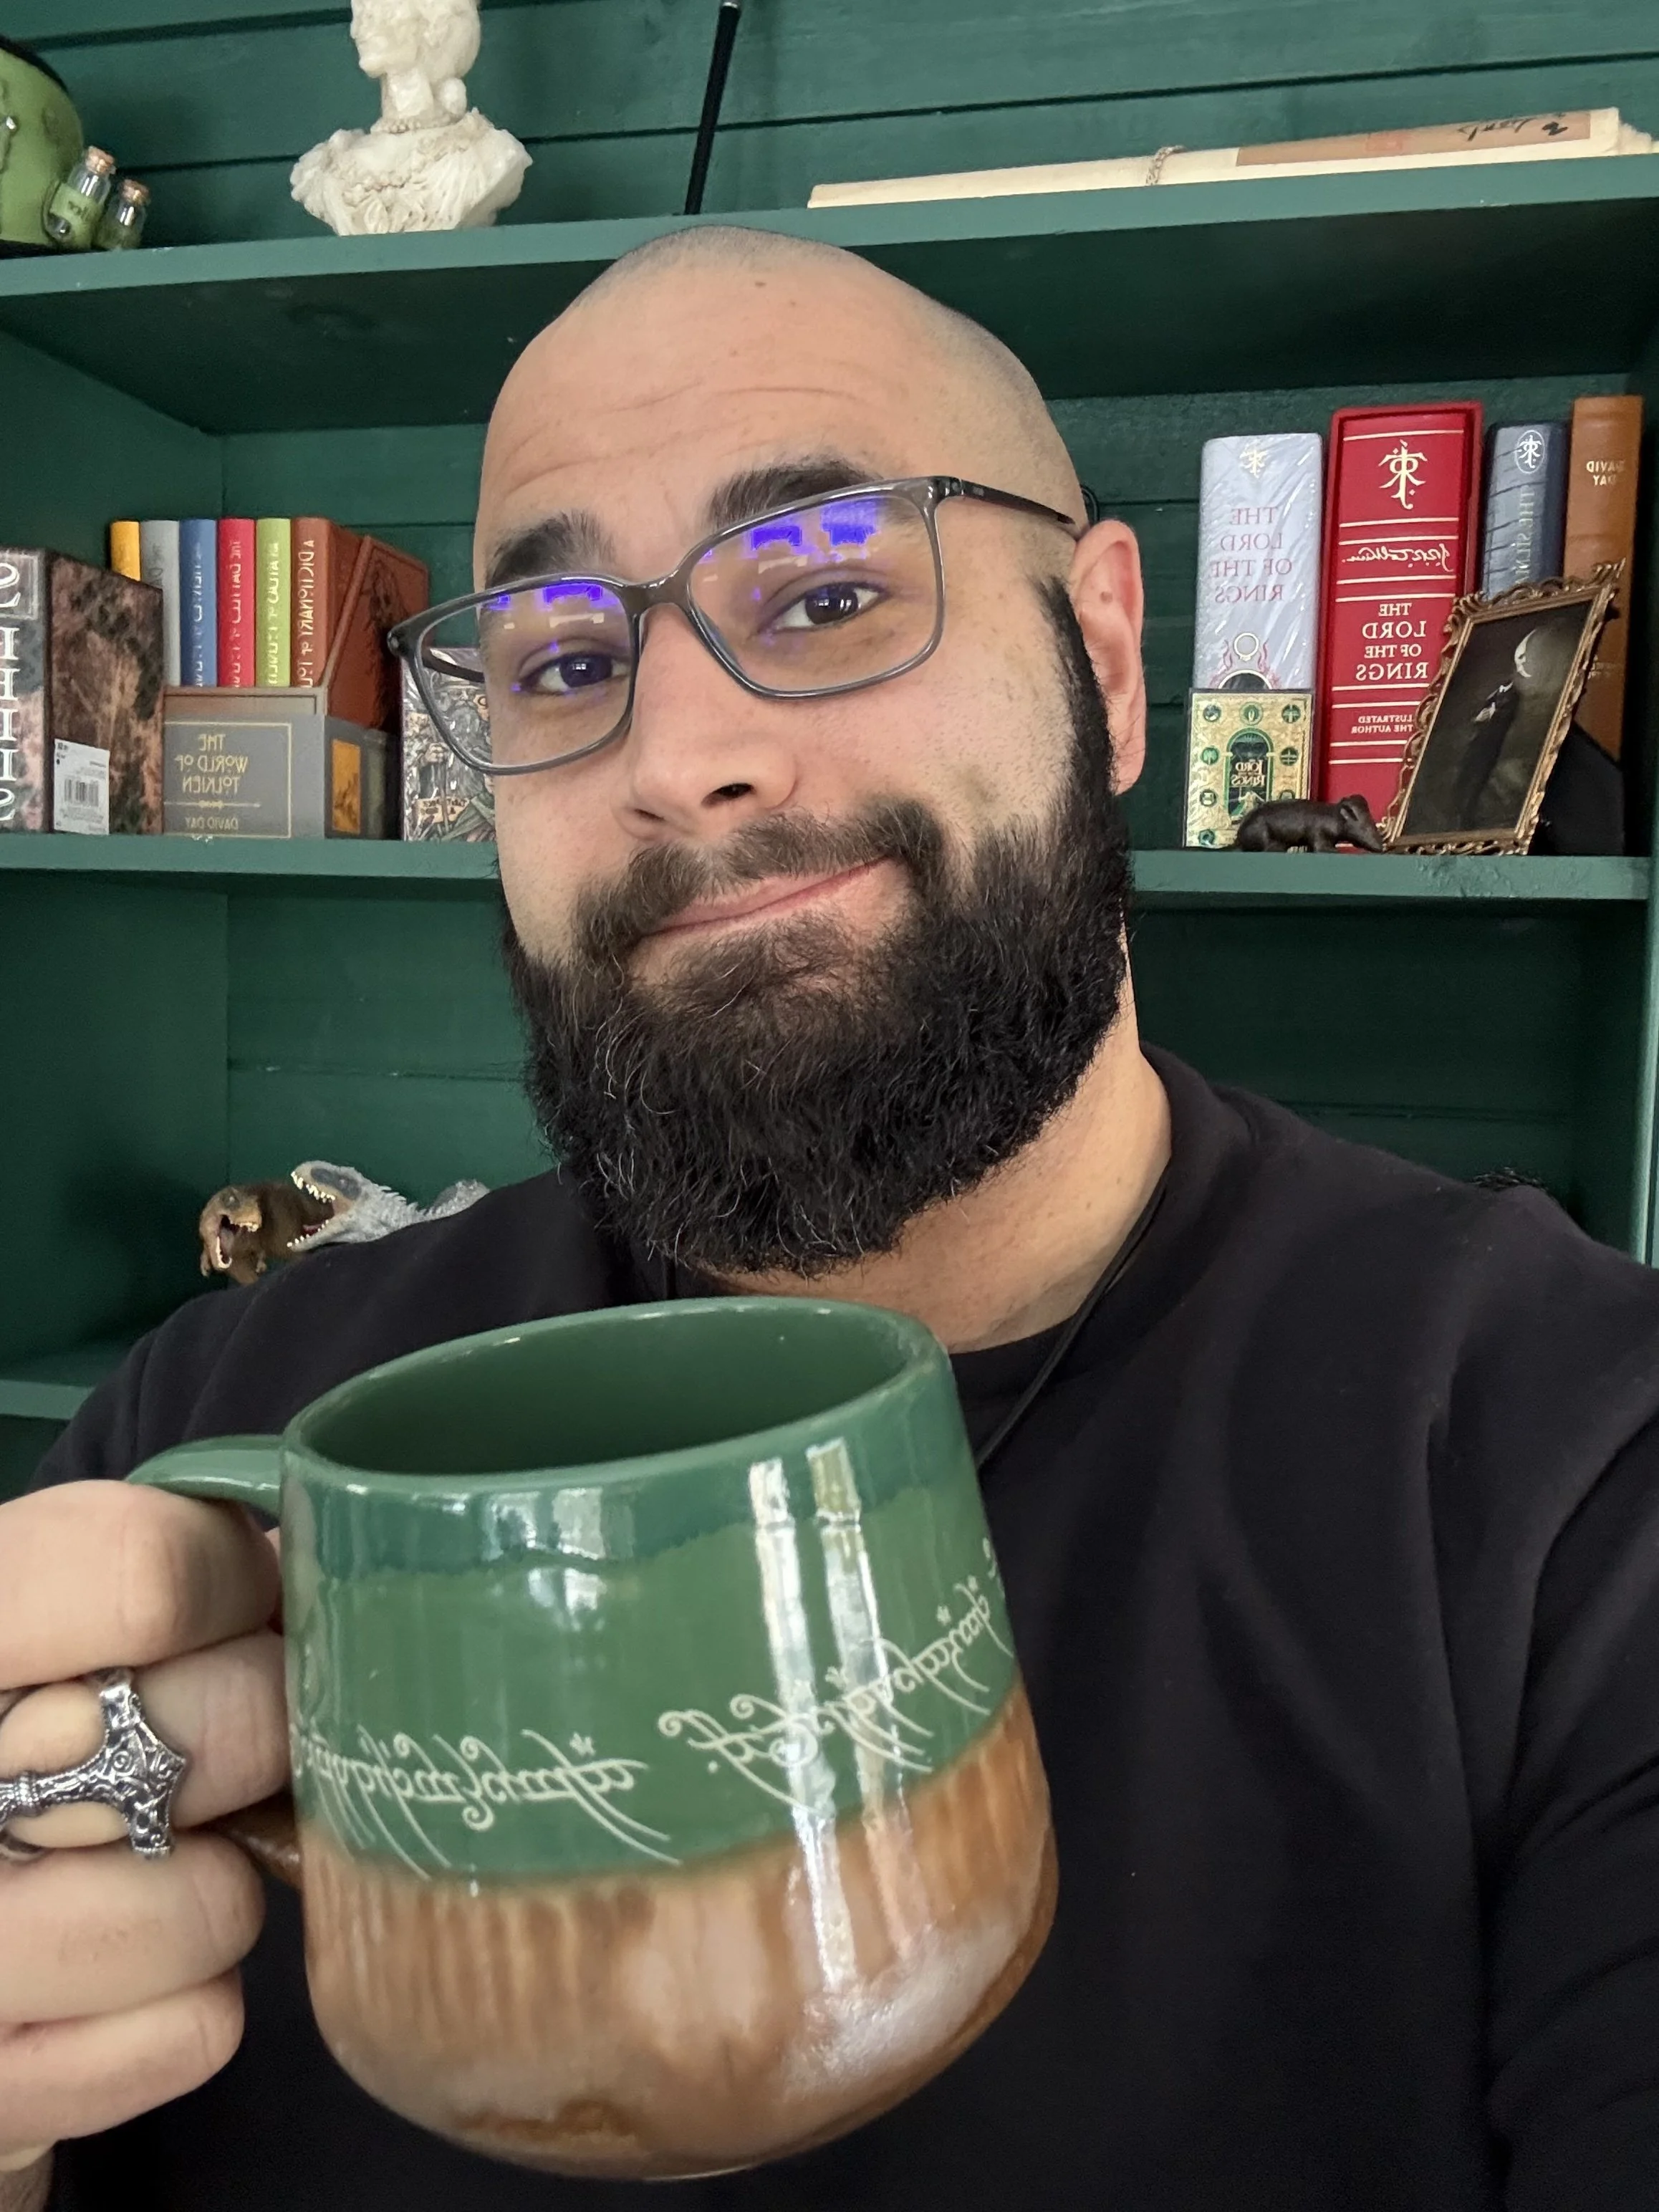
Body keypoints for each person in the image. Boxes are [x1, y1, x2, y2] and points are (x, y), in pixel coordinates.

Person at [4, 226, 1659, 2212]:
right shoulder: (234, 1428)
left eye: (829, 590)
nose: (681, 758)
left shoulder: (1577, 1477)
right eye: (562, 659)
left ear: (1107, 658)